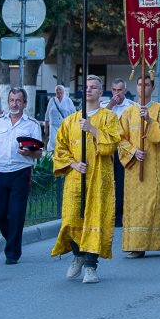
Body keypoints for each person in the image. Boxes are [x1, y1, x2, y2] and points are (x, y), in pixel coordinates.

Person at [50, 75, 121, 283]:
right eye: (86, 87)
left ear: (101, 92)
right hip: (75, 179)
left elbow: (111, 145)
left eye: (94, 87)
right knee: (72, 219)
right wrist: (73, 164)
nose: (89, 90)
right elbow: (60, 150)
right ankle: (78, 255)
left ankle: (91, 266)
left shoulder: (109, 117)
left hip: (99, 178)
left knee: (95, 220)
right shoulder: (70, 121)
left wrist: (92, 129)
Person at [0, 87, 43, 264]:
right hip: (0, 173)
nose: (14, 104)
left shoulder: (32, 125)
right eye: (12, 100)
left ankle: (12, 253)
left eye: (18, 100)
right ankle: (12, 240)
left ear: (25, 103)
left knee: (16, 213)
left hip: (21, 173)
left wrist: (30, 153)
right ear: (8, 102)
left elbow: (39, 153)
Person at [118, 76, 160, 258]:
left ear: (152, 88)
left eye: (147, 85)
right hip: (135, 168)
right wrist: (133, 151)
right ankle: (135, 245)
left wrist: (149, 121)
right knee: (135, 207)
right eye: (140, 84)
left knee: (152, 205)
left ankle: (152, 241)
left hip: (154, 168)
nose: (143, 88)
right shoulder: (128, 112)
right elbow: (120, 138)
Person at [105, 78, 137, 228]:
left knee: (121, 183)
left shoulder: (131, 106)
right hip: (107, 149)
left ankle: (120, 214)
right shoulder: (106, 105)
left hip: (123, 149)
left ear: (125, 90)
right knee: (107, 181)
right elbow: (101, 120)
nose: (116, 93)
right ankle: (108, 212)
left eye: (119, 90)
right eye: (114, 90)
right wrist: (111, 104)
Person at [43, 85, 76, 153]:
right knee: (53, 142)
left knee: (64, 143)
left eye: (60, 89)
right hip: (53, 126)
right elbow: (47, 114)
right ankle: (52, 158)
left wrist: (73, 127)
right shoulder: (52, 100)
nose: (58, 91)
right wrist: (46, 127)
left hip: (65, 126)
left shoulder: (68, 100)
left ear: (63, 91)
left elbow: (74, 114)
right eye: (57, 90)